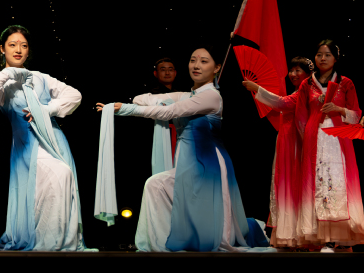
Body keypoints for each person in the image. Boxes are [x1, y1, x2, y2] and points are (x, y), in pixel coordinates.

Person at [97, 45, 269, 252]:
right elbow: (143, 98)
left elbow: (169, 112)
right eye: (193, 60)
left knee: (211, 223)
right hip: (188, 162)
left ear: (217, 68)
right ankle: (163, 244)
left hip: (208, 164)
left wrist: (126, 109)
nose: (196, 65)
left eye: (204, 61)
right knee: (155, 186)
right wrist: (155, 101)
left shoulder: (211, 96)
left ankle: (202, 238)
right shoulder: (188, 96)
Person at [0, 25, 87, 251]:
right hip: (26, 145)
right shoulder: (1, 81)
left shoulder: (40, 77)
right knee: (54, 179)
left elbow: (75, 95)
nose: (18, 50)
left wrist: (47, 109)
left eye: (23, 46)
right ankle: (46, 242)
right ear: (2, 49)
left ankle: (61, 241)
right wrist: (14, 73)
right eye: (12, 45)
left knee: (57, 185)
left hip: (54, 139)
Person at [295, 40, 363, 252]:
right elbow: (300, 117)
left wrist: (339, 110)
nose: (322, 58)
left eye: (327, 55)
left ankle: (337, 237)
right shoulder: (307, 84)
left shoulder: (346, 83)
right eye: (319, 54)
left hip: (337, 140)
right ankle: (322, 237)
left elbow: (356, 115)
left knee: (337, 183)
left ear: (336, 58)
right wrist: (306, 139)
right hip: (314, 139)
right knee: (317, 184)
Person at [242, 56, 313, 249]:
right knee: (284, 182)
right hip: (286, 140)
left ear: (308, 74)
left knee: (293, 183)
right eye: (292, 70)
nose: (293, 74)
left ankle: (299, 235)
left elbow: (282, 103)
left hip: (296, 141)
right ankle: (288, 234)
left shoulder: (306, 92)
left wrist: (257, 89)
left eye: (298, 70)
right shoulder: (298, 91)